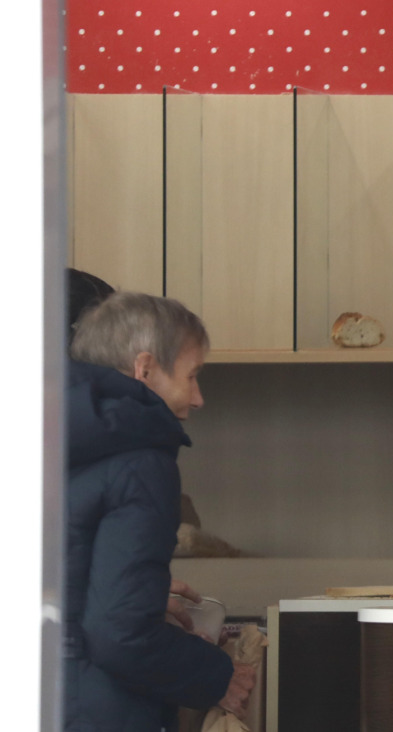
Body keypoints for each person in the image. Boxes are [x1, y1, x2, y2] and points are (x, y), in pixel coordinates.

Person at [64, 291, 254, 730]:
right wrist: (216, 676)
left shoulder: (42, 435)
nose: (199, 397)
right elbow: (120, 636)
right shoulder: (141, 461)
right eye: (192, 376)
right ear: (145, 369)